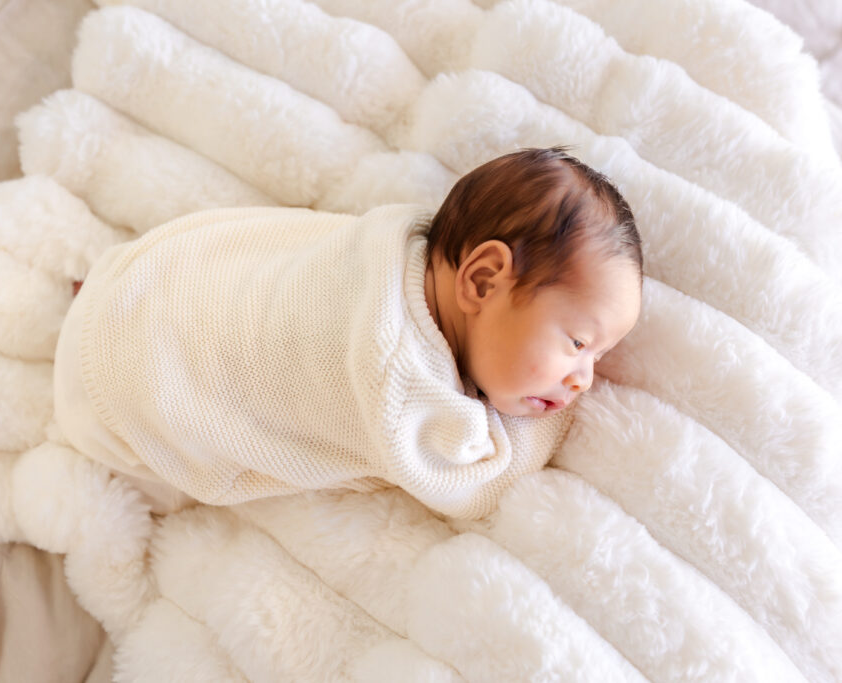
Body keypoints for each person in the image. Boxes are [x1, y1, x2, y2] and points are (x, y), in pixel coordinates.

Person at [52, 148, 643, 519]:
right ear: (483, 280)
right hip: (114, 401)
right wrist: (548, 425)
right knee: (167, 479)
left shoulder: (394, 239)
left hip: (149, 275)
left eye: (599, 355)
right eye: (577, 343)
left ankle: (97, 302)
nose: (585, 381)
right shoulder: (402, 383)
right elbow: (479, 488)